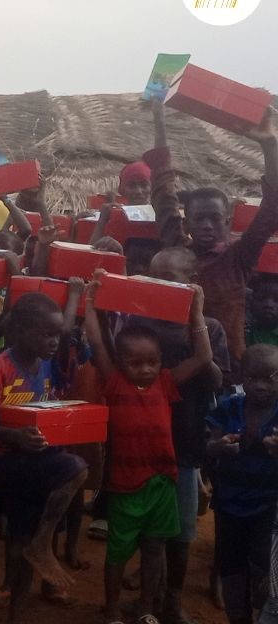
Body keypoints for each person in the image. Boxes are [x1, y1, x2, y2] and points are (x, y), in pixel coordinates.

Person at [107, 246, 229, 623]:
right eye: (154, 276)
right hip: (138, 446)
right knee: (148, 530)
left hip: (185, 442)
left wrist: (195, 319)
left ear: (191, 286)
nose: (159, 284)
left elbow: (217, 378)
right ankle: (150, 601)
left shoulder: (208, 327)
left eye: (169, 279)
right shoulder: (136, 326)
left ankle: (171, 602)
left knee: (181, 533)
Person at [83, 274, 212, 624]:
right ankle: (112, 611)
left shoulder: (166, 383)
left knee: (154, 549)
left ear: (160, 361)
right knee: (118, 552)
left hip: (161, 483)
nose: (146, 369)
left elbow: (202, 357)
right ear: (121, 363)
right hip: (125, 485)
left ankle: (147, 607)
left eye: (152, 362)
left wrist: (196, 311)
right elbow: (97, 342)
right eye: (136, 363)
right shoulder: (114, 382)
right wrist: (91, 302)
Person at [0, 293, 88, 624]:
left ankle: (16, 612)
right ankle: (43, 543)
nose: (54, 342)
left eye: (56, 335)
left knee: (23, 529)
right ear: (20, 331)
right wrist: (18, 436)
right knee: (76, 469)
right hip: (2, 459)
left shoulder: (46, 364)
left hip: (32, 459)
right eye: (46, 335)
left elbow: (43, 406)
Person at [149, 103, 278, 362]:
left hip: (228, 365)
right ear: (187, 222)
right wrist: (159, 120)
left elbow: (272, 206)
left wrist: (269, 145)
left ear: (228, 222)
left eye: (215, 218)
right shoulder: (176, 249)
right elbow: (164, 191)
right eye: (199, 218)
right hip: (176, 363)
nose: (207, 225)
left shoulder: (239, 256)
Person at [206, 344, 278, 624]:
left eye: (270, 378)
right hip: (229, 505)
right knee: (232, 568)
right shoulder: (228, 406)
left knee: (264, 570)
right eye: (252, 378)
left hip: (268, 508)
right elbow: (208, 446)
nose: (260, 386)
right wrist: (219, 447)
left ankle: (264, 617)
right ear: (240, 376)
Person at [248, 274, 278, 347]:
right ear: (250, 302)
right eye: (261, 299)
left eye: (277, 300)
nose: (268, 305)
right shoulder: (245, 333)